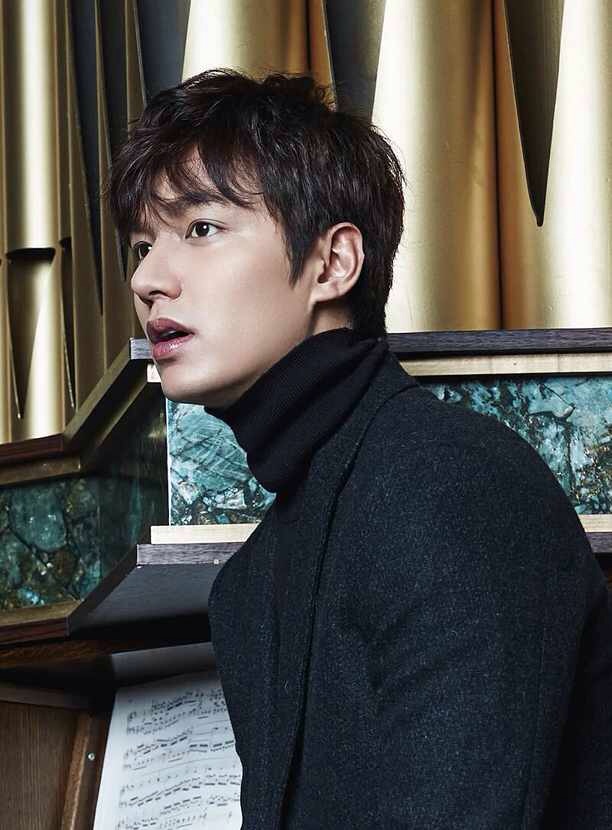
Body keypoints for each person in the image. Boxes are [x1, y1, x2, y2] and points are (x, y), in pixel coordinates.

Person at [109, 68, 612, 828]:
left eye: (201, 229)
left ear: (334, 263)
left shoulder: (449, 484)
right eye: (143, 245)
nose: (148, 278)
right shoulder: (250, 584)